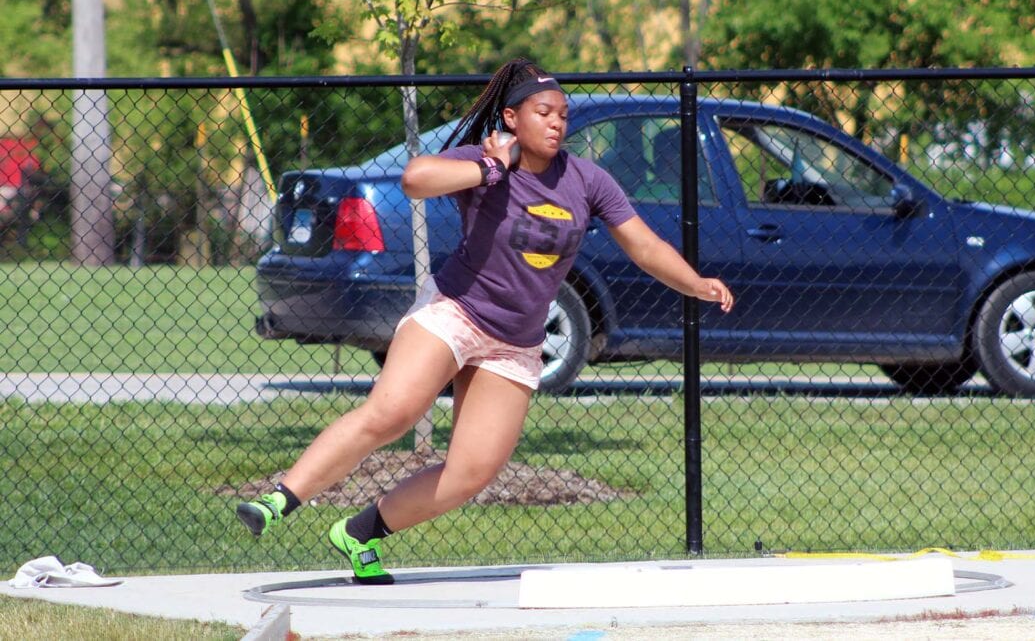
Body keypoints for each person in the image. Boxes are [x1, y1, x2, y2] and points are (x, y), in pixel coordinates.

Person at [235, 58, 735, 583]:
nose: (557, 123)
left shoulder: (588, 181)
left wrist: (695, 283)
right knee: (393, 413)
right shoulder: (488, 161)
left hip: (514, 342)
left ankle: (359, 534)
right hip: (454, 311)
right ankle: (278, 500)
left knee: (472, 472)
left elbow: (644, 245)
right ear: (513, 118)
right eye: (544, 112)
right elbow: (415, 179)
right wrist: (491, 170)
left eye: (563, 115)